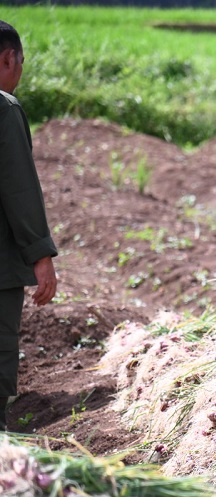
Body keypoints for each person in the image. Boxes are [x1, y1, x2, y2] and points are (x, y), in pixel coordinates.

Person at [0, 20, 59, 431]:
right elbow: (18, 188)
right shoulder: (4, 108)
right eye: (20, 63)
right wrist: (40, 253)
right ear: (8, 59)